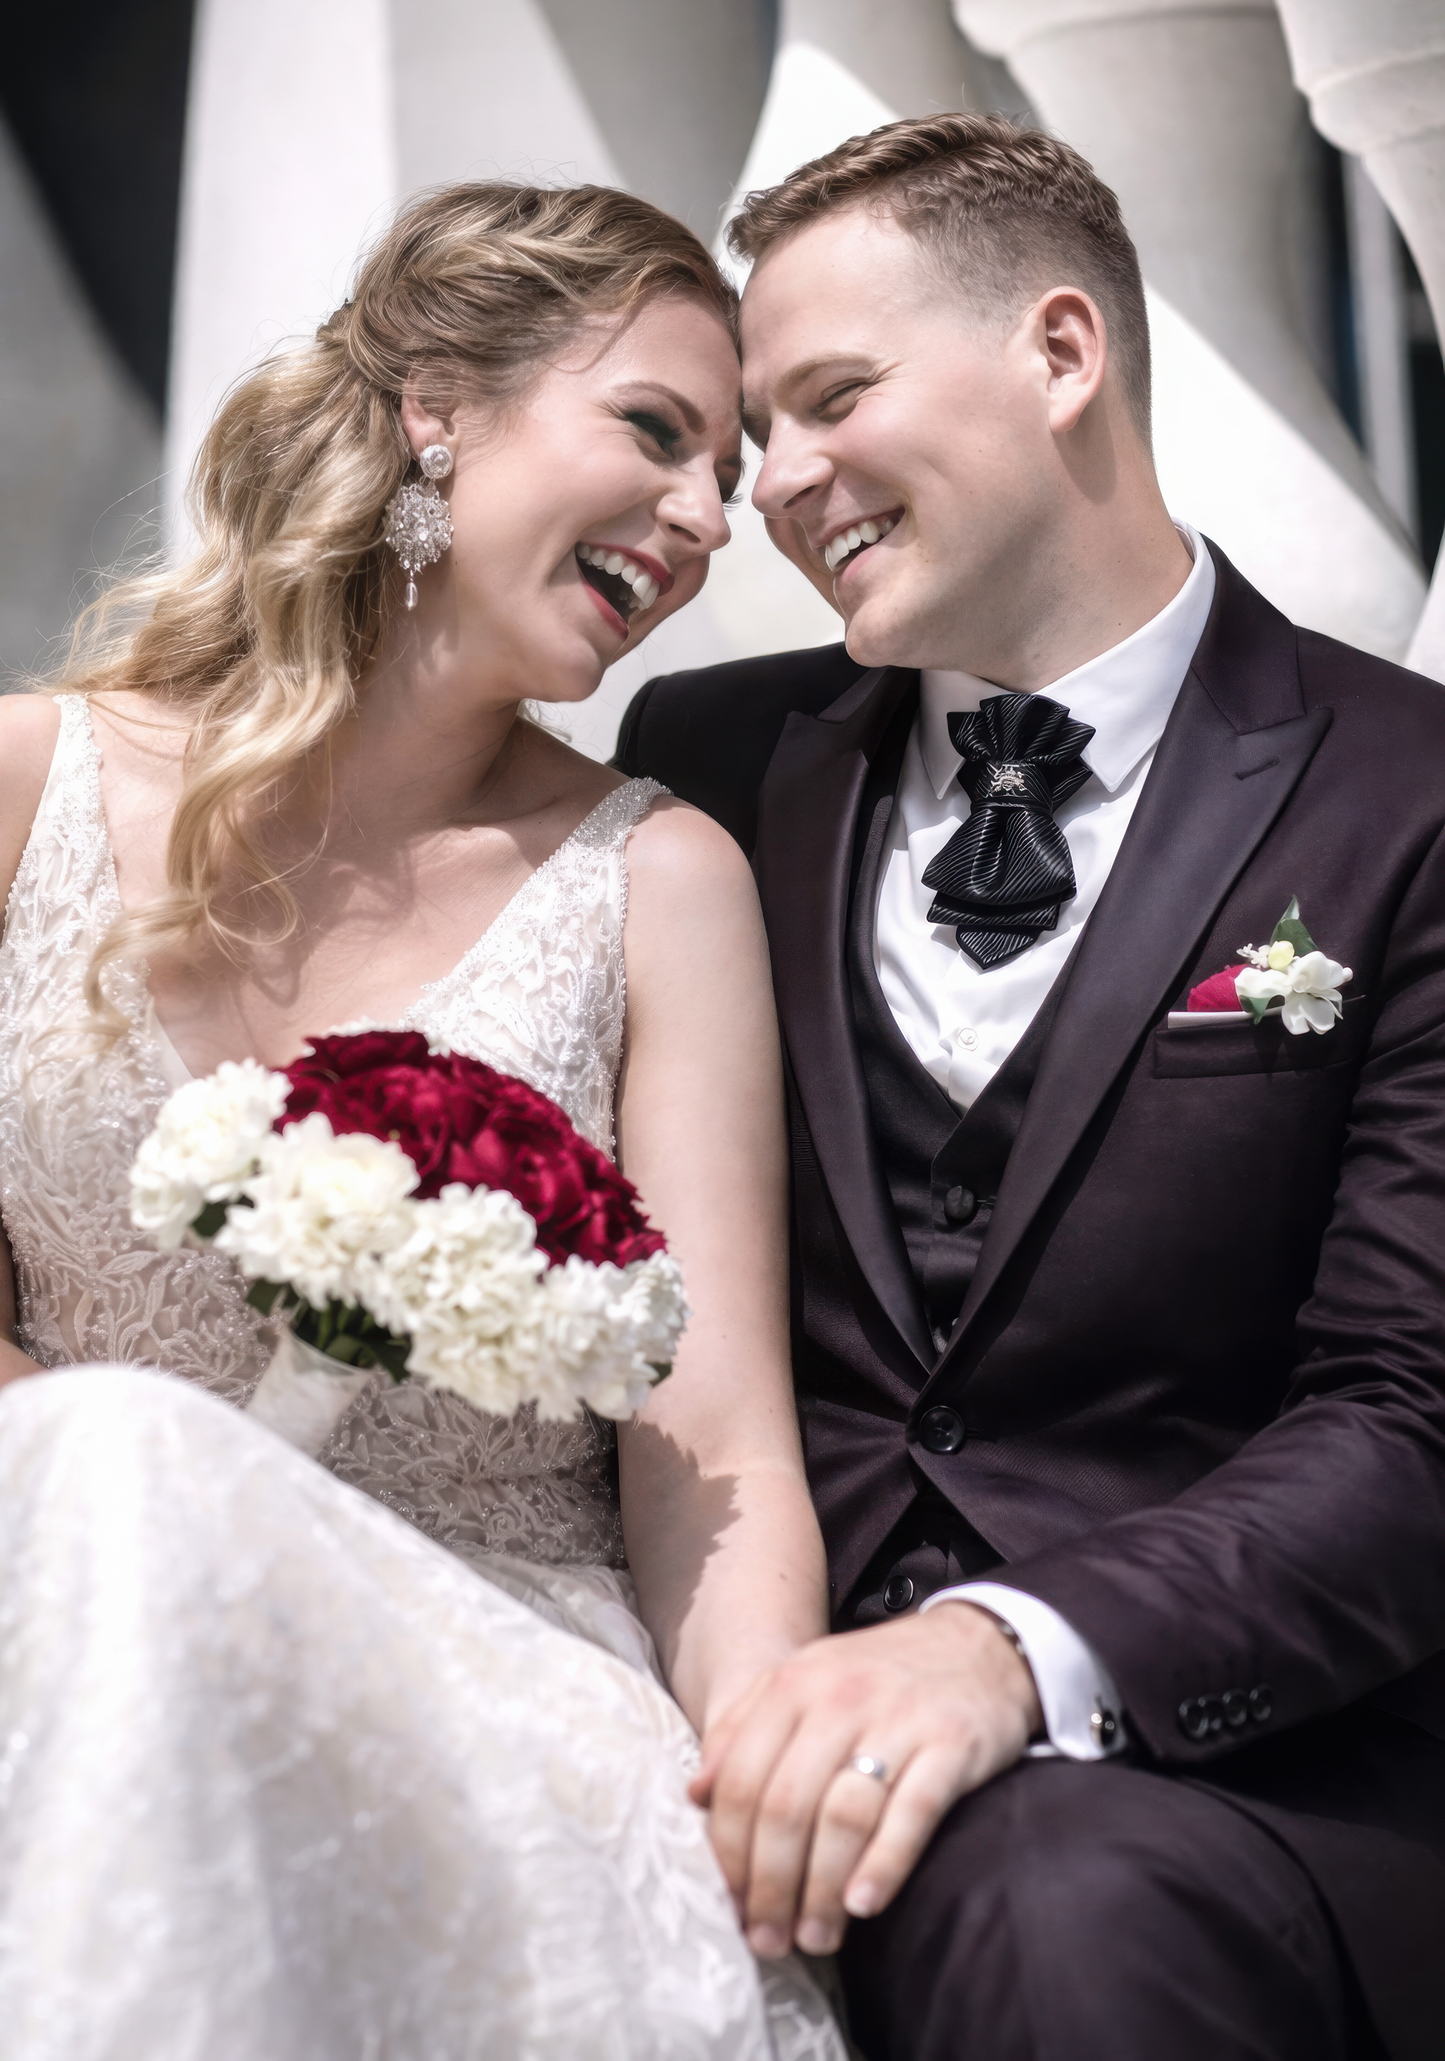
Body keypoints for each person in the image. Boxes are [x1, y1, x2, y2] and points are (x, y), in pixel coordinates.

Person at [615, 113, 1445, 2061]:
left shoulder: (1406, 799)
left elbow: (1412, 1418)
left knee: (1056, 1902)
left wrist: (1005, 1652)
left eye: (826, 400)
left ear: (1059, 353)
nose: (774, 486)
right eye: (756, 437)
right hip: (725, 1715)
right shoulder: (708, 760)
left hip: (1234, 1782)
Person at [0, 182, 847, 2059]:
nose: (709, 519)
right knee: (121, 1464)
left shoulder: (663, 883)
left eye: (731, 470)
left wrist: (768, 1759)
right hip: (46, 1619)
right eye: (655, 432)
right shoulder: (22, 781)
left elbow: (713, 1454)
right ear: (438, 405)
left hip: (477, 1671)